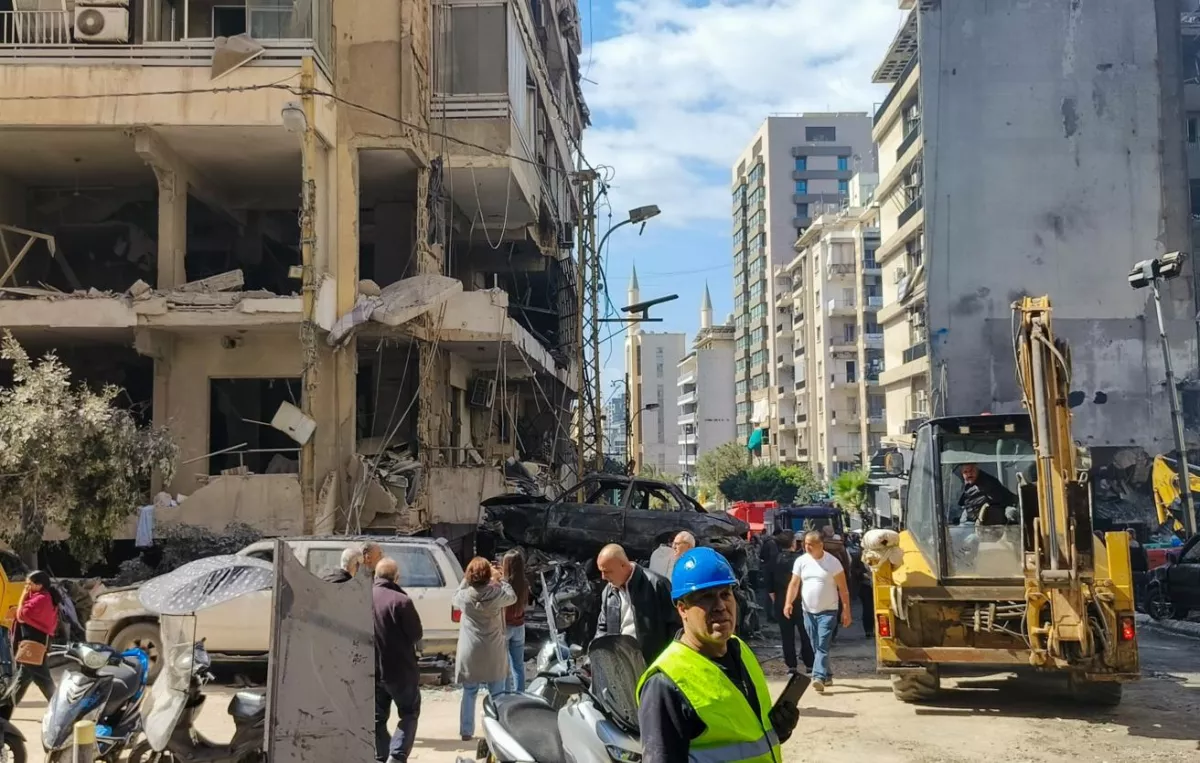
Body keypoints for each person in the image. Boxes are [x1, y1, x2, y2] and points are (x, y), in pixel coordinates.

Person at [637, 547, 798, 763]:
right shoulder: (665, 683)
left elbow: (743, 737)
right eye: (706, 597)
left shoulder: (740, 649)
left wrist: (778, 730)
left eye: (725, 594)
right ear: (682, 609)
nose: (720, 606)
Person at [454, 556, 517, 742]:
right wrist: (501, 578)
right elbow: (512, 596)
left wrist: (466, 579)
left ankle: (466, 731)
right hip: (493, 649)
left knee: (469, 691)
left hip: (470, 650)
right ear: (487, 575)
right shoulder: (497, 595)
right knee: (497, 693)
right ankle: (497, 729)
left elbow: (455, 595)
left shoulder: (464, 597)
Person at [784, 531, 852, 693]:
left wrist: (846, 611)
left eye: (811, 544)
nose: (806, 547)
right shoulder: (801, 561)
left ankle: (818, 676)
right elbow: (794, 584)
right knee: (816, 645)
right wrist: (788, 603)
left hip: (828, 611)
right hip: (808, 611)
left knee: (822, 644)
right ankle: (827, 675)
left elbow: (843, 589)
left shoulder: (833, 562)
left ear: (820, 545)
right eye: (805, 543)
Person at [372, 557, 423, 763]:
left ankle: (382, 755)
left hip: (372, 670)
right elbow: (416, 634)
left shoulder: (362, 598)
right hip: (400, 671)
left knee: (376, 718)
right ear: (396, 577)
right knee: (409, 712)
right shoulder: (401, 601)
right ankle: (396, 755)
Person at [595, 544, 677, 665]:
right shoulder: (608, 592)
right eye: (601, 572)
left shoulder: (656, 585)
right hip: (620, 665)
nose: (603, 577)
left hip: (653, 664)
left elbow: (675, 627)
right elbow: (602, 629)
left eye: (607, 571)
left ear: (623, 565)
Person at [7, 570, 60, 707]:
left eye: (29, 584)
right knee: (23, 678)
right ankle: (5, 707)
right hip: (33, 643)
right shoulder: (40, 597)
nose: (26, 587)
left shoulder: (41, 599)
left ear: (39, 585)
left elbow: (21, 615)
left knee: (43, 679)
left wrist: (22, 596)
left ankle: (59, 707)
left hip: (35, 644)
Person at [771, 531, 813, 674]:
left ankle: (791, 666)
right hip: (802, 600)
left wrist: (777, 600)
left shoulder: (774, 560)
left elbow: (769, 585)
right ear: (793, 543)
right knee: (805, 633)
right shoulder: (801, 560)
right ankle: (809, 663)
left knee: (786, 635)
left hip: (781, 600)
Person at [500, 549, 530, 693]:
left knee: (504, 667)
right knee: (518, 666)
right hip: (520, 626)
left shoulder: (504, 585)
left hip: (505, 627)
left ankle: (506, 696)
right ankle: (520, 695)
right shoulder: (524, 583)